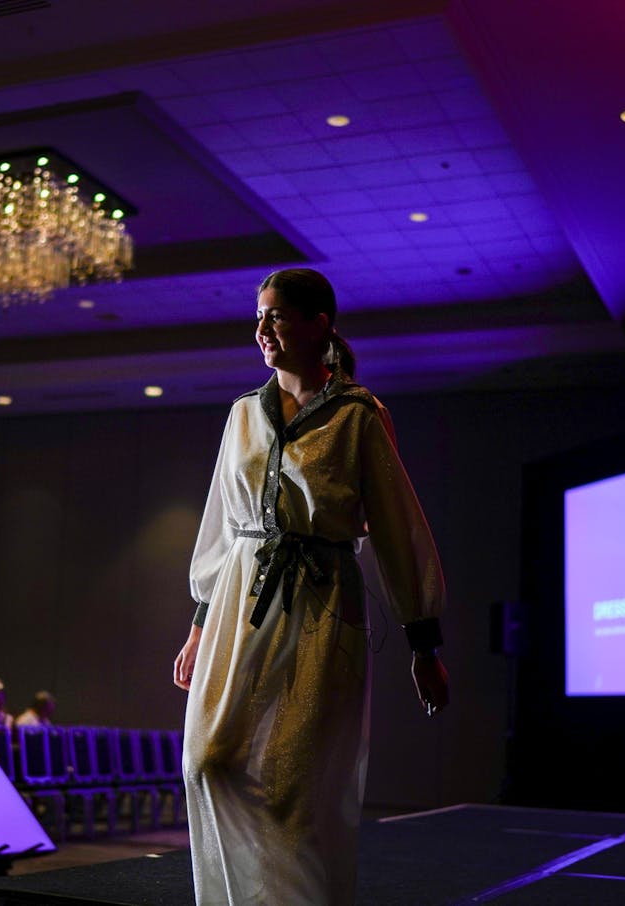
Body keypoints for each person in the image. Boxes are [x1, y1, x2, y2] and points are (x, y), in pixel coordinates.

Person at [173, 268, 449, 905]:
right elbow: (219, 524)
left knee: (296, 782)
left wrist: (423, 645)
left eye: (277, 316)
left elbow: (399, 531)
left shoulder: (359, 414)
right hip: (240, 601)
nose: (263, 330)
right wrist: (196, 625)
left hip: (323, 603)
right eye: (260, 317)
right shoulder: (243, 413)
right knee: (206, 761)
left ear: (320, 323)